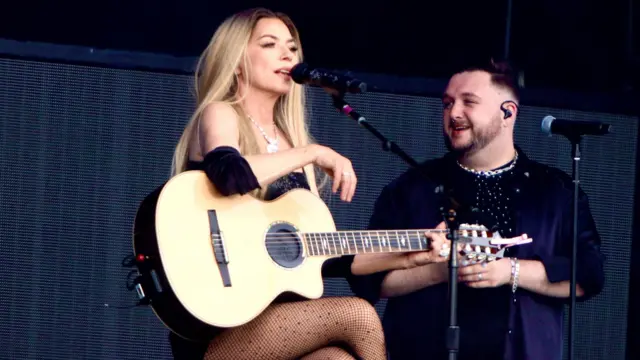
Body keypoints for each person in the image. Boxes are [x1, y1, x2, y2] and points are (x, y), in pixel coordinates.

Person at [167, 7, 396, 360]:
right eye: (270, 44)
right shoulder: (222, 113)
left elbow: (326, 258)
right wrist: (312, 152)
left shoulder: (290, 141)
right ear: (238, 60)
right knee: (359, 314)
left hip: (276, 320)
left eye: (292, 47)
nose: (288, 55)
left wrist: (418, 251)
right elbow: (230, 175)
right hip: (219, 329)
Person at [348, 60, 606, 360]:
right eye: (447, 103)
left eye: (468, 102)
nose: (453, 113)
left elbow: (589, 276)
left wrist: (508, 271)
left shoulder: (554, 191)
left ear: (507, 112)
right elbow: (368, 279)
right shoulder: (412, 187)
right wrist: (442, 271)